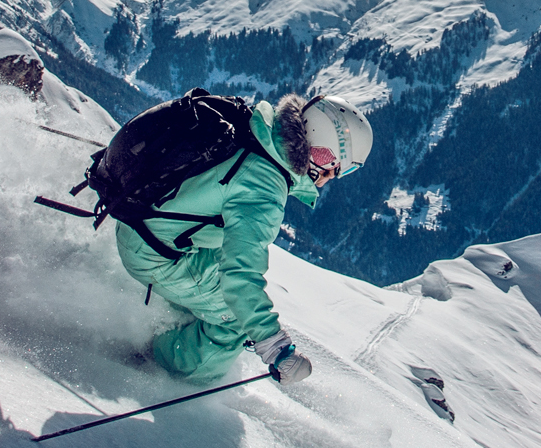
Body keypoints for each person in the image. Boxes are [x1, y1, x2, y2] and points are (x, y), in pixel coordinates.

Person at [118, 91, 373, 386]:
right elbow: (240, 275)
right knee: (236, 321)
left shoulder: (259, 131)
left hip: (140, 220)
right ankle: (159, 368)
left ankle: (178, 323)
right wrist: (275, 347)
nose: (332, 178)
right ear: (324, 150)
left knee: (227, 295)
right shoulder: (264, 184)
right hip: (154, 253)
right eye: (339, 167)